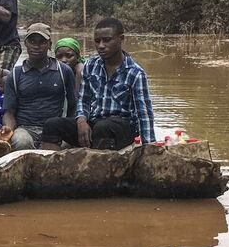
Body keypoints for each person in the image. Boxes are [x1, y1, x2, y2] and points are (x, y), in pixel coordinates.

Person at [41, 18, 156, 150]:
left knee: (104, 127)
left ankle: (99, 168)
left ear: (121, 39)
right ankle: (52, 168)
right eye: (97, 41)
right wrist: (81, 120)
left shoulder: (135, 73)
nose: (101, 45)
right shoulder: (90, 65)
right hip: (95, 123)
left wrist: (149, 148)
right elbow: (83, 100)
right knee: (52, 124)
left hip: (123, 128)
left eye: (107, 40)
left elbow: (144, 114)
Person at [1, 23, 76, 151]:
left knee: (64, 147)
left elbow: (73, 105)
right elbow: (9, 112)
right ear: (26, 43)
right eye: (32, 41)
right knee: (21, 142)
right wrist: (8, 128)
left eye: (42, 42)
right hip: (25, 129)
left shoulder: (64, 71)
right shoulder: (15, 74)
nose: (37, 46)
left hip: (54, 129)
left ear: (49, 45)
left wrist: (68, 127)